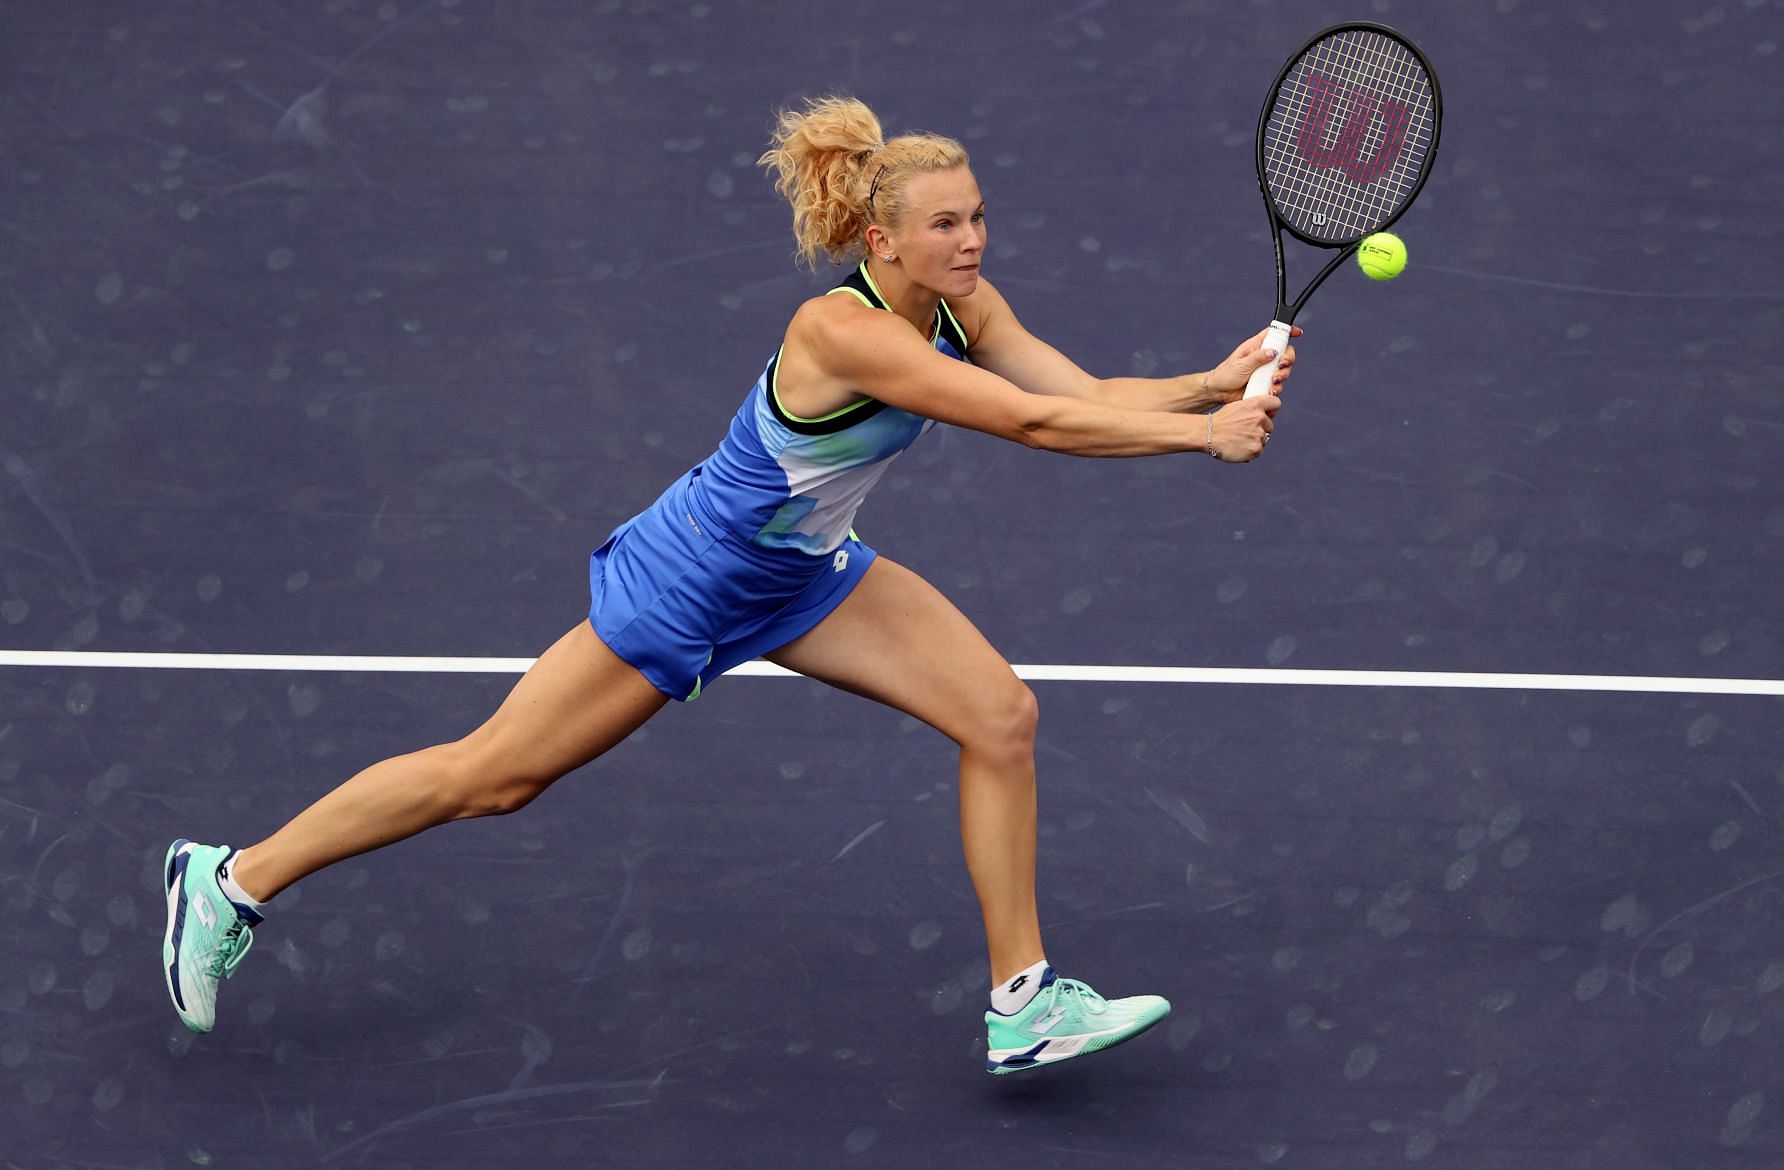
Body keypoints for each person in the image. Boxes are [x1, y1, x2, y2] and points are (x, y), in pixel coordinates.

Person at [162, 95, 1296, 1075]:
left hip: (807, 575)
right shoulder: (841, 332)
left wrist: (1211, 381)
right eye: (945, 222)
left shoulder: (966, 307)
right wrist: (1207, 441)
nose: (971, 238)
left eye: (978, 213)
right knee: (492, 777)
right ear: (880, 239)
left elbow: (1085, 388)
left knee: (1001, 713)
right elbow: (1037, 423)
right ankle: (233, 879)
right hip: (693, 580)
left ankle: (1024, 1001)